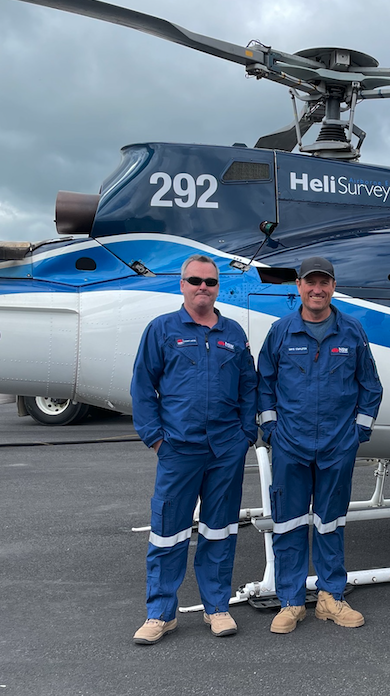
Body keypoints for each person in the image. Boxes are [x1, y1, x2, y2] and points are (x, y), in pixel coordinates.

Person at [129, 254, 258, 645]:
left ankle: (216, 608)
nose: (203, 287)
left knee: (219, 531)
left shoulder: (233, 333)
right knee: (168, 532)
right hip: (179, 448)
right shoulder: (162, 330)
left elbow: (249, 385)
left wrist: (246, 434)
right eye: (195, 280)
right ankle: (160, 614)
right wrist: (155, 437)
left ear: (219, 287)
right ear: (181, 285)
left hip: (225, 450)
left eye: (210, 282)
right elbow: (142, 387)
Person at [257, 256, 382, 634]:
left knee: (331, 523)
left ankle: (330, 597)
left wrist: (355, 435)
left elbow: (370, 387)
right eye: (310, 282)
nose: (317, 289)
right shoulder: (281, 331)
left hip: (336, 446)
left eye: (324, 282)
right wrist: (272, 430)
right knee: (289, 524)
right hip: (290, 446)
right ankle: (291, 602)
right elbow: (264, 384)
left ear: (333, 286)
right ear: (298, 286)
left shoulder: (352, 332)